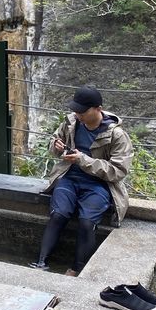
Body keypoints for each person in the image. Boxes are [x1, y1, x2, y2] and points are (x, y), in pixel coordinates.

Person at [30, 85, 133, 276]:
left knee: (87, 222)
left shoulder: (117, 135)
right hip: (69, 178)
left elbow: (118, 171)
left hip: (99, 184)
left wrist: (83, 160)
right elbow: (53, 143)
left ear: (98, 109)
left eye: (82, 111)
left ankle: (76, 269)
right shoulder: (71, 122)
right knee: (58, 214)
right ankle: (41, 262)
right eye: (75, 110)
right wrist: (56, 146)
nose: (78, 115)